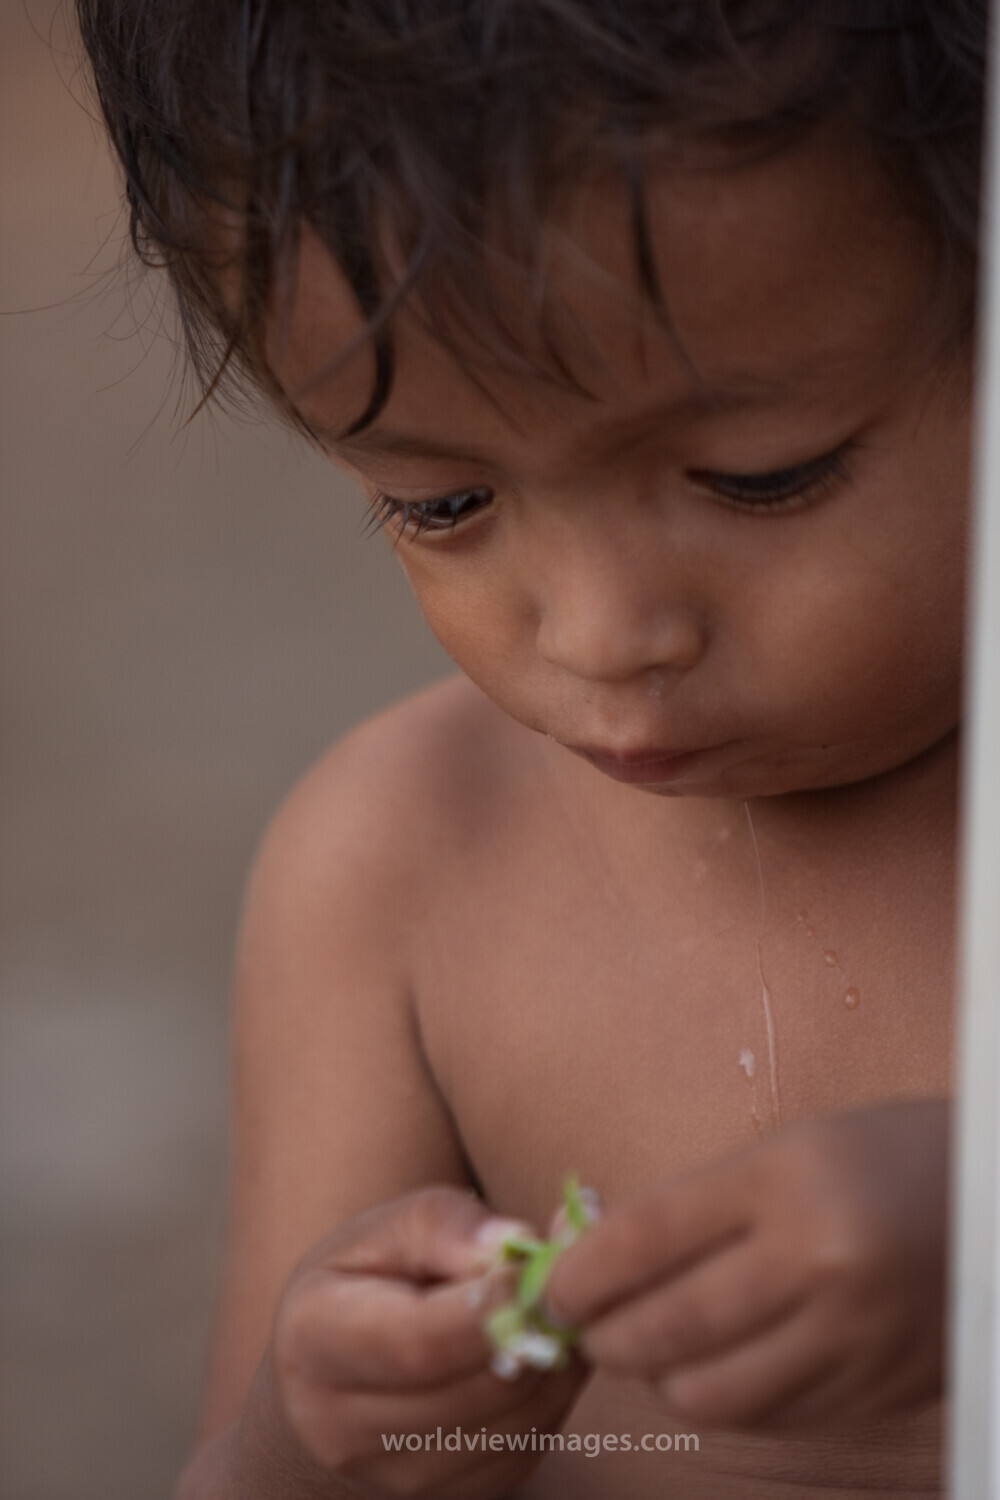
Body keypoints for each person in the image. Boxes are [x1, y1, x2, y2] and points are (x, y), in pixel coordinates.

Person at [77, 2, 984, 1495]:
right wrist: (318, 1442)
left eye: (760, 477)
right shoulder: (404, 864)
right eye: (443, 505)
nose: (604, 635)